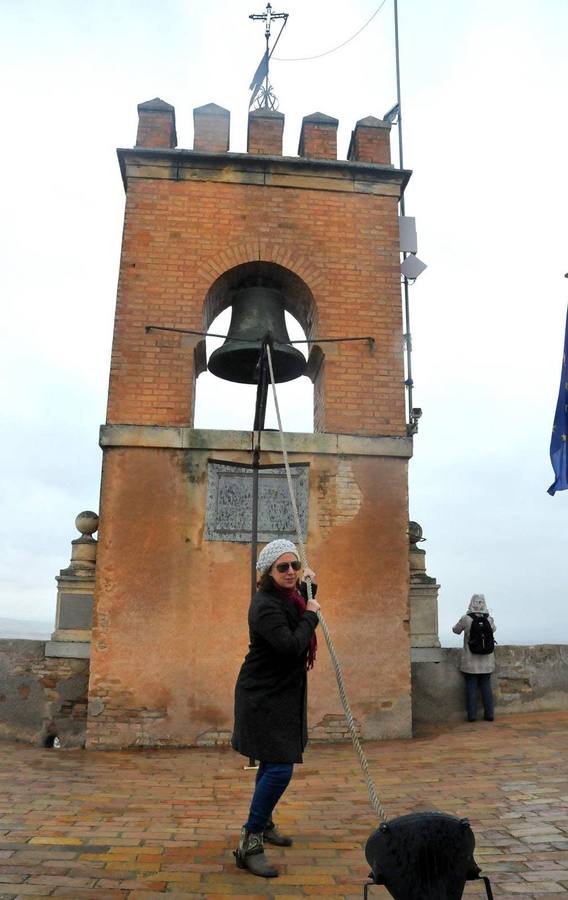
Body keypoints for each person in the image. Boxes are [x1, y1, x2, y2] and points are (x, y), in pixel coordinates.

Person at [232, 538, 320, 878]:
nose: (290, 572)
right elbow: (290, 646)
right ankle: (249, 842)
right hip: (263, 696)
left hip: (282, 694)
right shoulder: (265, 605)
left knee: (272, 763)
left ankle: (264, 823)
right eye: (282, 567)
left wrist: (310, 585)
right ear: (266, 572)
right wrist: (311, 616)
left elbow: (301, 602)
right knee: (280, 767)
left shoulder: (291, 596)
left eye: (294, 566)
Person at [453, 594, 497, 722]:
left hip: (470, 661)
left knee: (471, 688)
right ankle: (489, 715)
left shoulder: (466, 618)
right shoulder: (489, 619)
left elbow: (456, 630)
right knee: (486, 687)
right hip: (487, 661)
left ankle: (472, 716)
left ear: (471, 603)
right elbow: (494, 630)